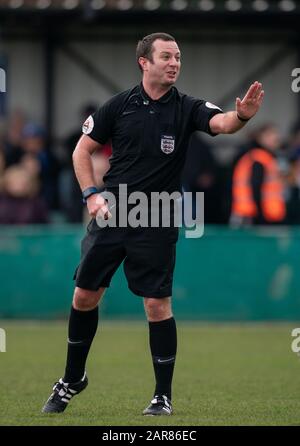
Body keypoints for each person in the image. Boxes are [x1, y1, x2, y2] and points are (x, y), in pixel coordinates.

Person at [42, 32, 264, 416]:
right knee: (84, 297)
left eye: (177, 56)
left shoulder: (187, 107)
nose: (174, 62)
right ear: (144, 62)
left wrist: (242, 115)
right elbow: (82, 150)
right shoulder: (119, 106)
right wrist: (91, 194)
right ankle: (72, 379)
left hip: (157, 215)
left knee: (157, 306)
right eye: (166, 56)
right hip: (113, 212)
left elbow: (224, 124)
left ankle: (162, 396)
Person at [230, 123, 286, 226]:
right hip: (251, 217)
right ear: (260, 138)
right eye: (270, 135)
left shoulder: (264, 157)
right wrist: (260, 215)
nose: (275, 138)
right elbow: (255, 187)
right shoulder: (258, 158)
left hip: (255, 215)